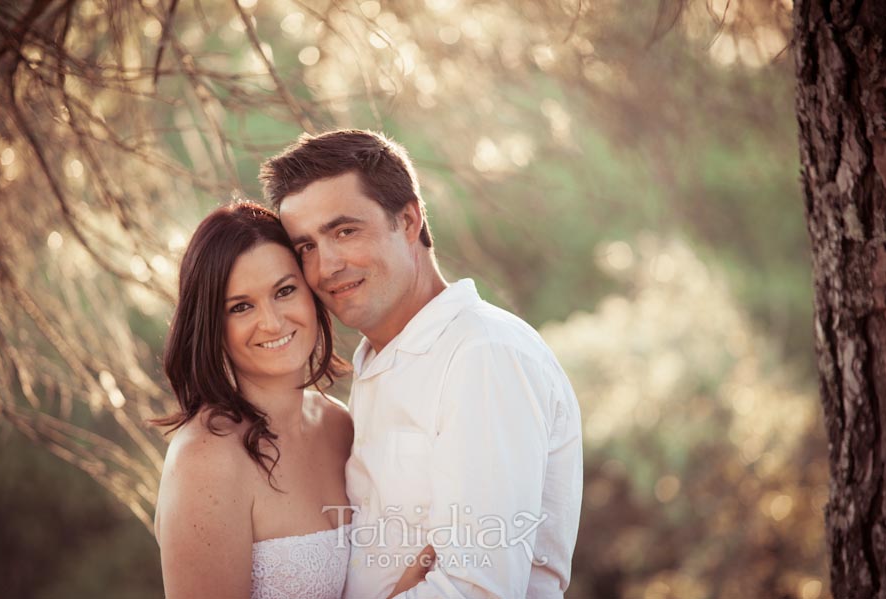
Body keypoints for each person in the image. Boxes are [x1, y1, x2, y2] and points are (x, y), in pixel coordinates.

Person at [261, 130, 584, 599]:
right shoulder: (379, 360)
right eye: (306, 246)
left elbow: (480, 589)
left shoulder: (483, 355)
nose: (326, 266)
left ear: (409, 220)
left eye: (344, 231)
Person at [152, 202, 431, 599]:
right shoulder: (205, 460)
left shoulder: (339, 425)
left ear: (313, 293)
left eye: (284, 291)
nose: (272, 322)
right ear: (213, 325)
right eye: (241, 307)